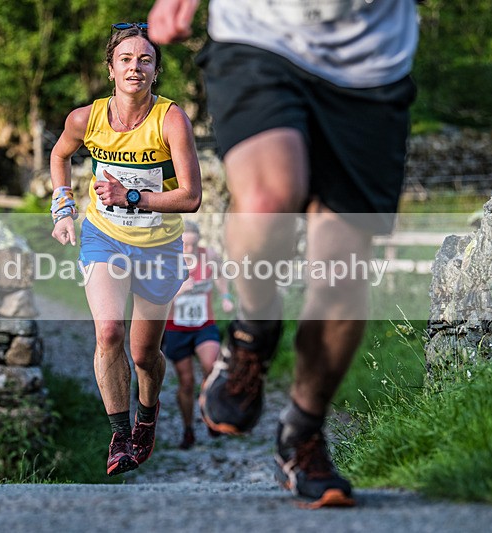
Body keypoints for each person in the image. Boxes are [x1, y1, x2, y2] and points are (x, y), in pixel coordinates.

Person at [148, 0, 420, 506]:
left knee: (342, 271)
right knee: (271, 194)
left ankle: (303, 432)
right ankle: (253, 333)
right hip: (260, 33)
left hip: (369, 60)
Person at [49, 22, 202, 477]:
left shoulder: (170, 119)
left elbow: (191, 198)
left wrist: (131, 197)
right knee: (109, 332)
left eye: (146, 60)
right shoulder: (86, 119)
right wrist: (63, 207)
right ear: (111, 69)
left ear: (155, 71)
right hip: (104, 237)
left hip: (159, 246)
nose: (136, 67)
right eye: (126, 60)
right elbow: (60, 156)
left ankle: (148, 416)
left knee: (143, 355)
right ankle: (120, 434)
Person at [162, 220, 234, 449]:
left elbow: (221, 274)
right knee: (186, 382)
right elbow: (156, 298)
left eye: (194, 245)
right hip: (176, 328)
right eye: (186, 245)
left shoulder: (208, 254)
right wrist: (178, 290)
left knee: (211, 368)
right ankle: (188, 429)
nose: (190, 250)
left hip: (204, 325)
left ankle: (210, 417)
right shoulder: (168, 259)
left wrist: (225, 297)